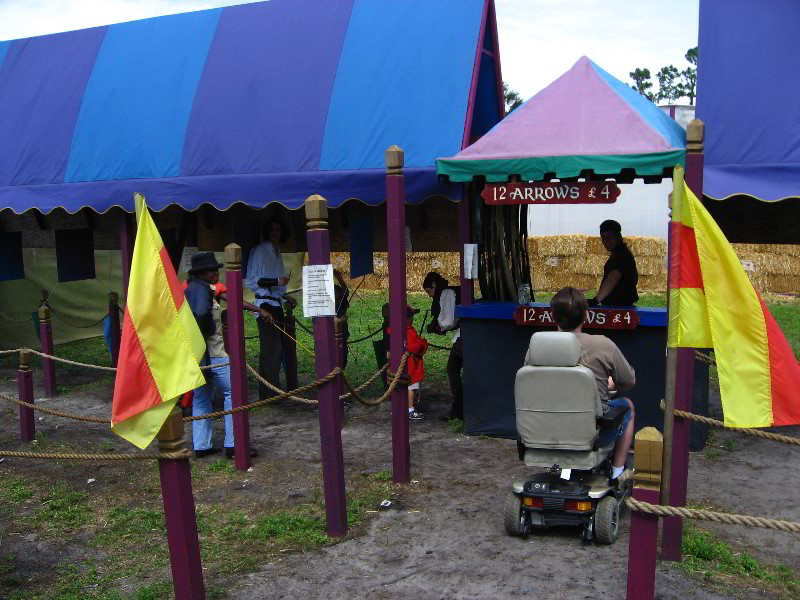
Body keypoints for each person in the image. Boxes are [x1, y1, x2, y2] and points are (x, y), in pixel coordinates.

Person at [530, 287, 635, 483]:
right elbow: (628, 381)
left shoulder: (537, 346)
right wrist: (608, 385)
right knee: (627, 406)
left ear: (553, 316)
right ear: (586, 315)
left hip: (546, 431)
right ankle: (617, 471)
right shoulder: (604, 345)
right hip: (591, 433)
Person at [185, 252, 270, 458]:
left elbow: (231, 300)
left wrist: (257, 309)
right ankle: (234, 445)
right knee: (234, 394)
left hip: (199, 355)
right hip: (214, 354)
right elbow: (202, 315)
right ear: (202, 273)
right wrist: (204, 333)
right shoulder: (201, 291)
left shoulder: (198, 289)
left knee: (202, 398)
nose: (216, 273)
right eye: (212, 270)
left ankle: (202, 445)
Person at [245, 217, 297, 400]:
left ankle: (267, 393)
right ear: (267, 231)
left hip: (275, 303)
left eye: (278, 230)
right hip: (264, 305)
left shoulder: (277, 251)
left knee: (274, 349)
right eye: (273, 229)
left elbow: (276, 284)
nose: (276, 233)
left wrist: (284, 295)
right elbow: (255, 280)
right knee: (271, 350)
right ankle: (272, 393)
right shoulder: (260, 250)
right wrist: (277, 281)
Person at [422, 272, 462, 420]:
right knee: (454, 369)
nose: (430, 295)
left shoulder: (447, 293)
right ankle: (459, 408)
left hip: (463, 336)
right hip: (461, 335)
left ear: (434, 286)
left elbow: (448, 321)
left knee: (452, 369)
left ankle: (459, 410)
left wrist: (437, 326)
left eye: (429, 291)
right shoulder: (447, 292)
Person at [386, 306, 428, 420]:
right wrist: (424, 342)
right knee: (411, 386)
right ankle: (410, 409)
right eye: (411, 317)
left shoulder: (392, 329)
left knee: (397, 386)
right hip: (409, 365)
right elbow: (418, 348)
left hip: (395, 363)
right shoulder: (408, 332)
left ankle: (398, 408)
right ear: (408, 318)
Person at [588, 219, 638, 306]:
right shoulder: (618, 255)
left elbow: (612, 279)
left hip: (620, 308)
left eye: (610, 236)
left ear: (619, 236)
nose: (606, 241)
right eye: (603, 237)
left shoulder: (622, 256)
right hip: (617, 306)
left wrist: (596, 300)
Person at [333, 269, 350, 368]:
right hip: (331, 331)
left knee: (342, 349)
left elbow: (345, 293)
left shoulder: (341, 301)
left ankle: (341, 366)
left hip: (342, 330)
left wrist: (339, 278)